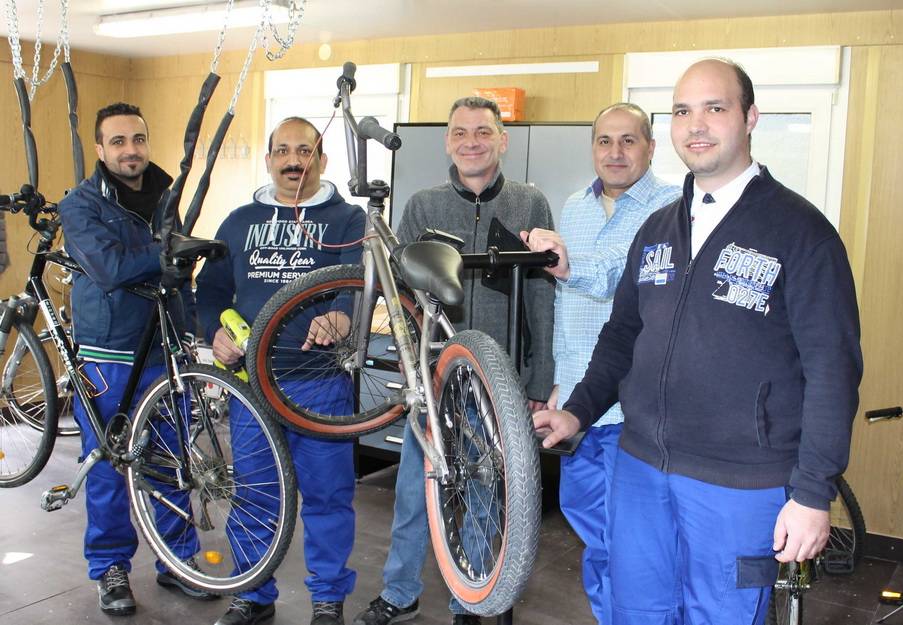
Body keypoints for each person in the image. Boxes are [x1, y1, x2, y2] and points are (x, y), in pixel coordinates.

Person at [533, 59, 863, 625]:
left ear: (750, 117)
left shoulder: (801, 231)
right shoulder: (658, 228)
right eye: (684, 110)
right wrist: (579, 413)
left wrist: (812, 493)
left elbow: (833, 372)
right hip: (640, 469)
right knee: (638, 611)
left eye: (715, 108)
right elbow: (622, 336)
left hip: (740, 483)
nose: (697, 124)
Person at [352, 96, 555, 625]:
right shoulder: (422, 205)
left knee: (488, 488)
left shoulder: (530, 203)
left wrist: (540, 374)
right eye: (461, 132)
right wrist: (409, 362)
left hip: (498, 378)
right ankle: (400, 593)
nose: (472, 141)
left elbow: (540, 295)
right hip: (435, 373)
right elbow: (397, 290)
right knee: (417, 491)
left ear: (501, 141)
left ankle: (472, 595)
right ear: (448, 142)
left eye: (483, 132)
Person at [196, 117, 365, 625]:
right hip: (252, 387)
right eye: (284, 150)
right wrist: (214, 333)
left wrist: (344, 312)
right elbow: (209, 290)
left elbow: (366, 280)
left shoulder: (348, 219)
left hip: (321, 384)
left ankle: (328, 599)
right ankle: (252, 593)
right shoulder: (239, 221)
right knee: (255, 494)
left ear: (323, 159)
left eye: (306, 150)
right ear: (269, 159)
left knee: (328, 496)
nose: (295, 160)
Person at [520, 102, 679, 624]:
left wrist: (566, 265)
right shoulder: (575, 208)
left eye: (628, 140)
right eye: (605, 141)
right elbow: (564, 309)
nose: (615, 152)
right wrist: (557, 386)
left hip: (635, 410)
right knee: (596, 539)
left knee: (642, 549)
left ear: (651, 148)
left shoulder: (673, 208)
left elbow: (621, 276)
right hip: (578, 410)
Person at [60, 102, 215, 616]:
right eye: (119, 142)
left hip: (164, 348)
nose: (131, 150)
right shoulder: (80, 205)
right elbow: (108, 268)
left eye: (139, 140)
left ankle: (178, 561)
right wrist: (167, 254)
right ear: (102, 150)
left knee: (170, 463)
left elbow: (181, 276)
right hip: (110, 355)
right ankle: (110, 568)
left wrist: (190, 332)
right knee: (107, 465)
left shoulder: (167, 195)